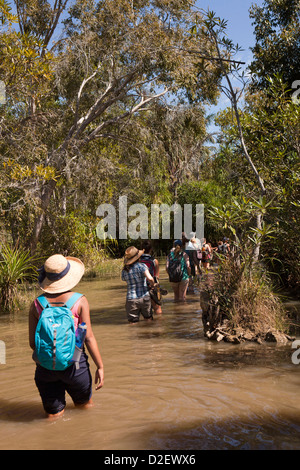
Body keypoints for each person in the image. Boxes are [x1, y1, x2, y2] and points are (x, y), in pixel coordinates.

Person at [29, 254, 104, 419]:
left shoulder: (36, 304)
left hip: (45, 369)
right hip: (75, 367)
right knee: (85, 409)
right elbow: (89, 338)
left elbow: (33, 343)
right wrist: (100, 366)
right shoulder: (80, 301)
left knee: (53, 418)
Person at [121, 246, 155, 323]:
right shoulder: (142, 266)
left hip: (131, 299)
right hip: (144, 297)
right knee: (148, 319)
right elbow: (150, 278)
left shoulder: (125, 270)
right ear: (138, 257)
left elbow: (124, 279)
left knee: (133, 323)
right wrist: (152, 285)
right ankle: (149, 334)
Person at [139, 240, 162, 315]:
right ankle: (159, 324)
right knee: (157, 308)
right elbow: (157, 276)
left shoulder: (138, 261)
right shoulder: (154, 261)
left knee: (145, 312)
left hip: (141, 289)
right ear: (151, 250)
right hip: (151, 287)